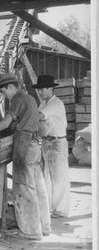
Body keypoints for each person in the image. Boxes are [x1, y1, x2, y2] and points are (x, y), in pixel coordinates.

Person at [0, 73, 51, 240]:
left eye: (3, 91)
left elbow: (6, 123)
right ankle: (44, 227)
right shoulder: (30, 98)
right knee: (38, 186)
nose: (4, 95)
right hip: (36, 143)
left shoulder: (17, 99)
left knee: (24, 187)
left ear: (10, 87)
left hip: (25, 144)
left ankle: (30, 232)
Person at [33, 75, 70, 218]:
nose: (40, 92)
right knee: (46, 176)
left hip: (57, 143)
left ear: (50, 88)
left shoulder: (56, 104)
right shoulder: (43, 103)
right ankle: (48, 207)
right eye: (39, 90)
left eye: (42, 89)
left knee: (59, 177)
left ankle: (60, 210)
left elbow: (39, 116)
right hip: (46, 141)